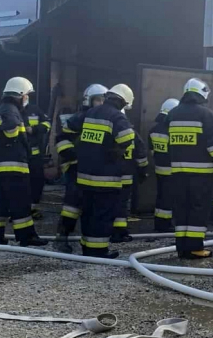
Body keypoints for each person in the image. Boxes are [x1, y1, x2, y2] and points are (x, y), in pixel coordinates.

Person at [67, 84, 135, 258]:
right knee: (103, 215)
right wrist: (116, 148)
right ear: (121, 102)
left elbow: (71, 123)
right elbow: (127, 137)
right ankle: (98, 251)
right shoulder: (116, 116)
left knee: (88, 214)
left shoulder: (90, 113)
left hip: (84, 176)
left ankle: (87, 248)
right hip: (105, 177)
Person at [167, 78, 213, 259]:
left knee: (182, 209)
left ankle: (182, 248)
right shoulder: (206, 114)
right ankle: (195, 248)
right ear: (202, 94)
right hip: (201, 175)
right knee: (198, 209)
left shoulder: (173, 114)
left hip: (178, 173)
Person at [0, 77, 47, 247]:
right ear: (20, 94)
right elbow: (11, 129)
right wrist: (19, 138)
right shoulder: (11, 111)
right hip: (13, 165)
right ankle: (26, 237)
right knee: (21, 202)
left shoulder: (1, 108)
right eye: (26, 95)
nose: (27, 98)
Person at [53, 83, 107, 253]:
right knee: (72, 204)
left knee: (91, 207)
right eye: (97, 100)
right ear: (88, 101)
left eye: (103, 100)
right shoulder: (79, 118)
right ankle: (61, 238)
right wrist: (71, 155)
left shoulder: (106, 119)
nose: (101, 103)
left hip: (95, 170)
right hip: (76, 167)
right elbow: (61, 139)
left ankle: (89, 244)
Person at [112, 105, 148, 243]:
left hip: (110, 177)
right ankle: (120, 232)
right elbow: (141, 154)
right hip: (126, 178)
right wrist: (143, 170)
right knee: (122, 205)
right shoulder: (132, 134)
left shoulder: (109, 133)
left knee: (110, 204)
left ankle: (110, 230)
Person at [148, 98, 178, 232]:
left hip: (159, 169)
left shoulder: (154, 130)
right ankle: (165, 225)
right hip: (172, 171)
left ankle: (159, 223)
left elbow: (152, 151)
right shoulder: (172, 131)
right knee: (168, 199)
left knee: (161, 197)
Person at [22, 95, 51, 220]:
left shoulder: (34, 109)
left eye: (27, 95)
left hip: (35, 155)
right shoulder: (11, 110)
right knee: (20, 183)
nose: (25, 97)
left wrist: (34, 129)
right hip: (20, 156)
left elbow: (47, 123)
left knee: (37, 182)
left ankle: (33, 209)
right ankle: (19, 210)